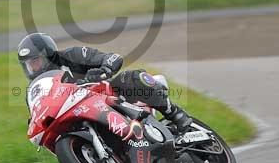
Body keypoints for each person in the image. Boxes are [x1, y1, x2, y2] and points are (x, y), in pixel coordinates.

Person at [17, 32, 193, 132]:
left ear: (48, 54)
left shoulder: (71, 56)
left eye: (36, 61)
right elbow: (37, 114)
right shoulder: (34, 91)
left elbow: (111, 58)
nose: (33, 68)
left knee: (131, 78)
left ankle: (175, 114)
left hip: (106, 97)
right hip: (76, 117)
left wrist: (103, 70)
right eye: (29, 65)